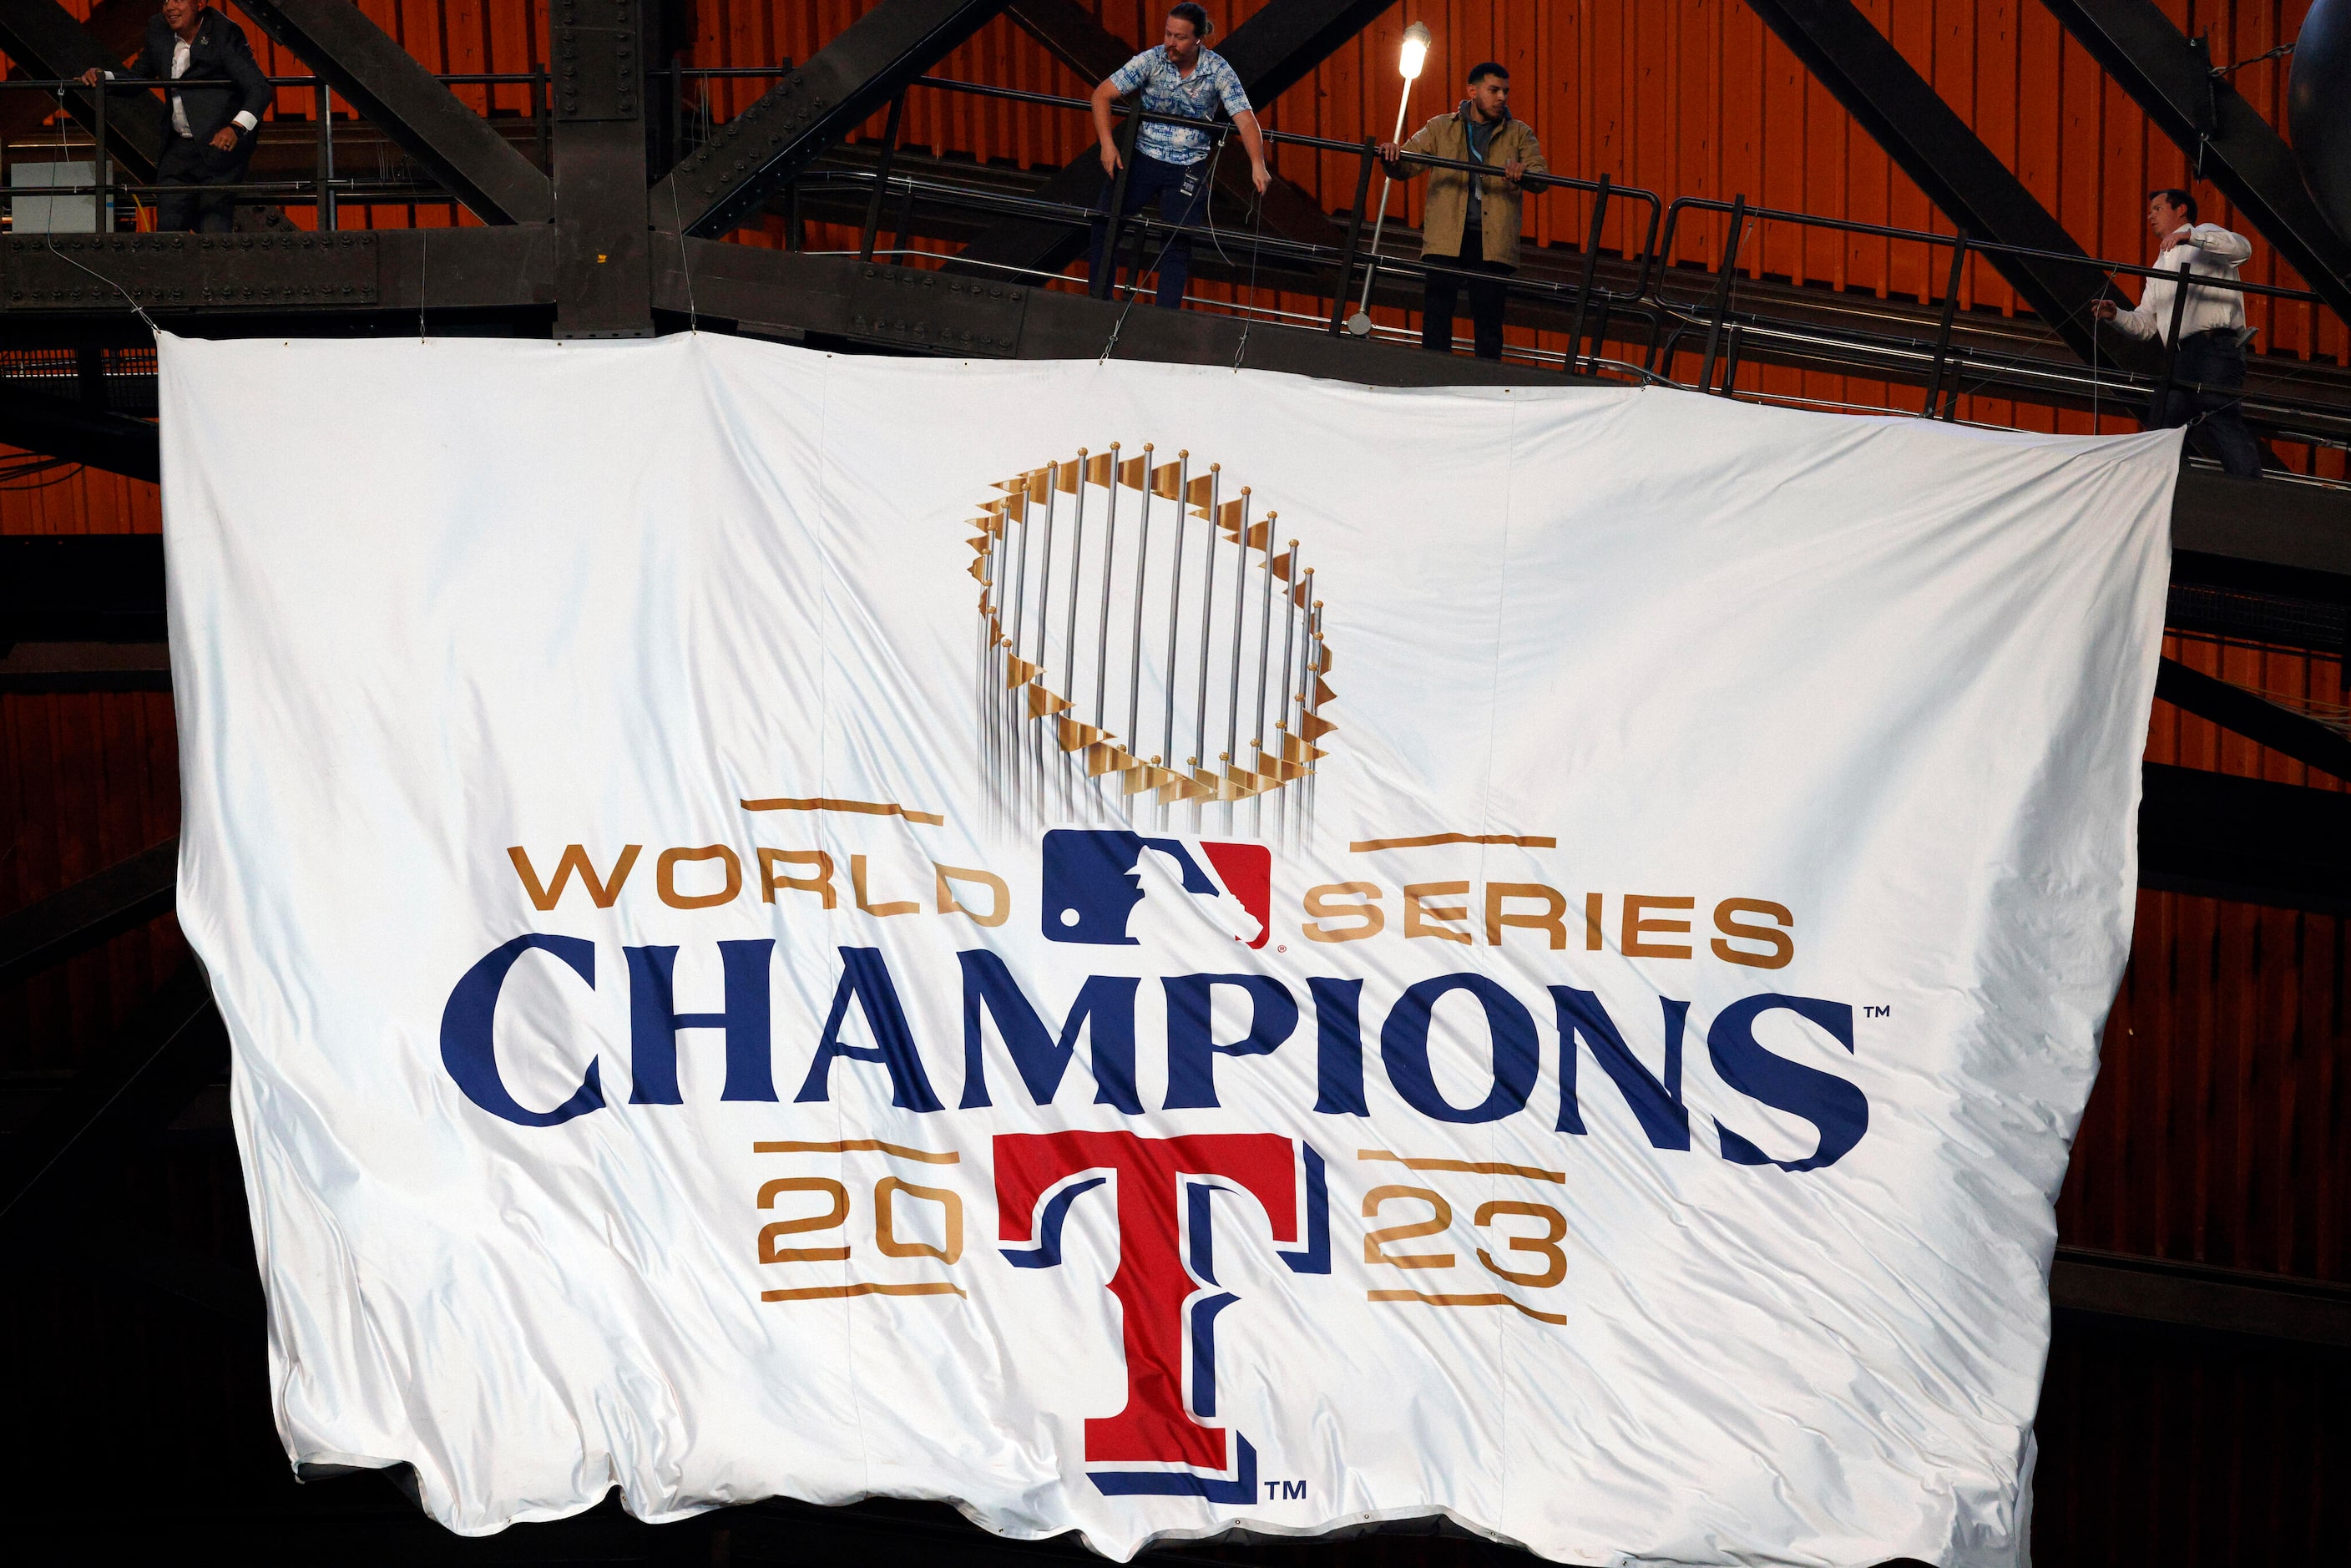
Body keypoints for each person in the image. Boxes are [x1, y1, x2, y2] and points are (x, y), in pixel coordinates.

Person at [1087, 4, 1272, 310]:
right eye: (1168, 34)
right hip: (1143, 157)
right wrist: (1107, 144)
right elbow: (1101, 94)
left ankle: (1164, 319)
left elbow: (1245, 118)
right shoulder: (1151, 59)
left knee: (1176, 243)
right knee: (1104, 221)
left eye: (1180, 37)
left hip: (1189, 165)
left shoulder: (1218, 70)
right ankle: (1099, 302)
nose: (1171, 42)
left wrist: (1257, 163)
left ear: (1199, 39)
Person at [1380, 62, 1548, 361]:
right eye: (1494, 90)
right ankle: (1434, 377)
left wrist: (1524, 171)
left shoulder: (1520, 133)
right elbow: (1407, 163)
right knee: (1437, 310)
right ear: (1472, 91)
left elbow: (1541, 177)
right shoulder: (1440, 127)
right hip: (1447, 236)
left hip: (1492, 242)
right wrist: (1392, 157)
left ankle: (1487, 386)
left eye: (1505, 91)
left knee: (1488, 318)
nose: (1502, 98)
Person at [2091, 188, 2262, 478]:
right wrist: (2116, 315)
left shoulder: (2205, 235)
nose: (2150, 216)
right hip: (2180, 356)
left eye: (2157, 208)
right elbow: (2147, 325)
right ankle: (2177, 483)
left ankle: (2249, 490)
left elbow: (2243, 249)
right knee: (2161, 423)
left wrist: (2191, 237)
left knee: (2220, 416)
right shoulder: (2158, 267)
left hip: (2215, 347)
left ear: (2180, 209)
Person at [82, 0, 272, 234]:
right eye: (165, 1)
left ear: (200, 3)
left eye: (178, 0)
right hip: (178, 147)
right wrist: (104, 78)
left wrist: (236, 128)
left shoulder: (224, 32)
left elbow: (260, 89)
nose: (169, 7)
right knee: (169, 229)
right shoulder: (158, 28)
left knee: (213, 231)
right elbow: (138, 77)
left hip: (219, 149)